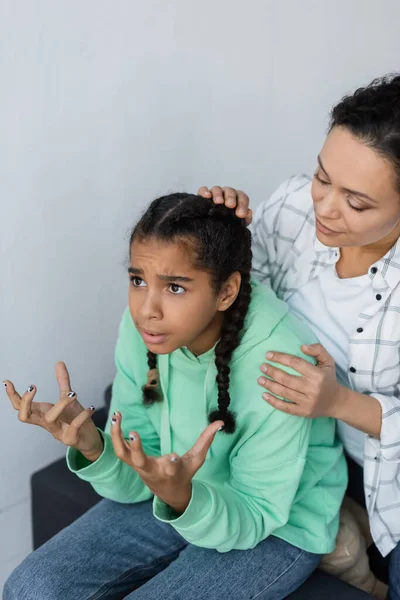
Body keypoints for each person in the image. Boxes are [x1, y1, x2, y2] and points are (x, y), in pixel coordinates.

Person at [3, 193, 346, 600]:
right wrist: (95, 448)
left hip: (274, 523)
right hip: (176, 490)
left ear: (226, 291)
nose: (148, 308)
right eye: (137, 280)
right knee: (30, 588)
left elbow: (256, 513)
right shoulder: (144, 331)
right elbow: (141, 472)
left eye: (175, 288)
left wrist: (183, 498)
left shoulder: (280, 366)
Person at [198, 73, 400, 599]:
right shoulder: (293, 205)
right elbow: (241, 298)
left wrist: (339, 402)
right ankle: (343, 522)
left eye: (357, 203)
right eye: (322, 175)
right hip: (299, 452)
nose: (325, 207)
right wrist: (222, 237)